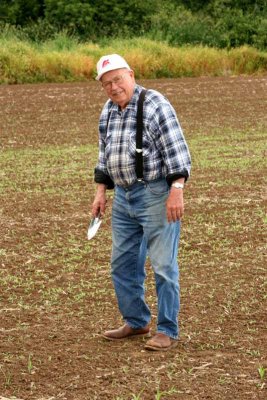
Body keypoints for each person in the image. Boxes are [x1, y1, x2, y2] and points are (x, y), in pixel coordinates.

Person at [91, 54, 191, 351]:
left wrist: (176, 189)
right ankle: (136, 321)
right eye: (107, 83)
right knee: (122, 264)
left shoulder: (155, 104)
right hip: (123, 197)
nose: (113, 87)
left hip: (155, 194)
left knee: (162, 265)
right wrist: (100, 191)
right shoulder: (108, 110)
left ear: (131, 75)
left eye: (118, 79)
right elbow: (103, 154)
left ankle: (167, 330)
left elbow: (177, 150)